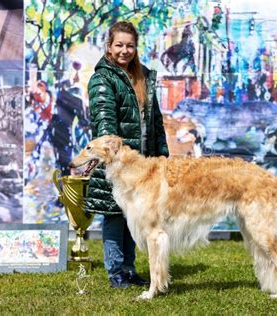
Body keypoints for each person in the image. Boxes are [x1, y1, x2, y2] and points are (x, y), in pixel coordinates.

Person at [85, 21, 169, 288]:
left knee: (136, 216)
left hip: (144, 166)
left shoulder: (144, 76)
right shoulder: (103, 78)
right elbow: (104, 121)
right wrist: (112, 153)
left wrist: (162, 157)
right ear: (109, 47)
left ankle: (129, 269)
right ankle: (116, 271)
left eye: (130, 45)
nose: (125, 50)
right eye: (119, 45)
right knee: (114, 215)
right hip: (117, 162)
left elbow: (155, 122)